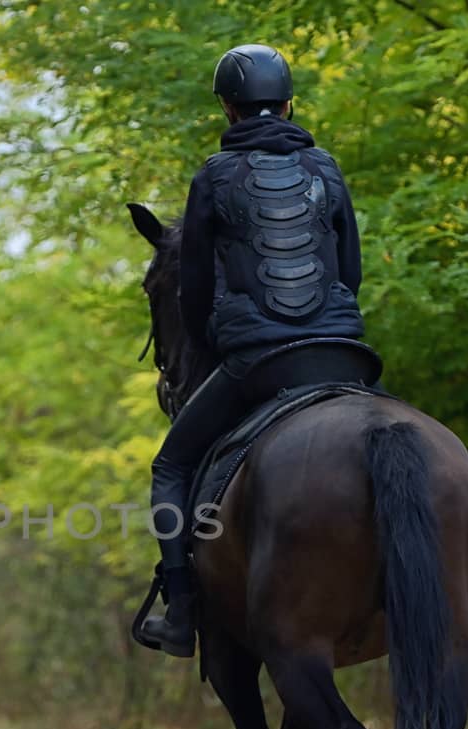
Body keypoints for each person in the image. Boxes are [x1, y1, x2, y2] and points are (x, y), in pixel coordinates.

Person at [136, 43, 367, 658]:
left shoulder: (213, 176)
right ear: (290, 103)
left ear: (228, 109)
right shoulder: (327, 168)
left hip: (260, 363)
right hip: (342, 354)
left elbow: (194, 291)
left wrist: (216, 343)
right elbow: (350, 269)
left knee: (170, 468)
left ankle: (181, 611)